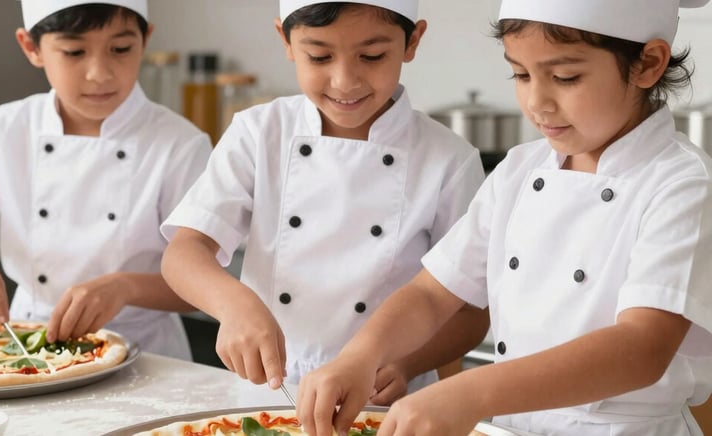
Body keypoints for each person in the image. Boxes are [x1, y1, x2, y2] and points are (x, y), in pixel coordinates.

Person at [296, 0, 712, 434]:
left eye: (565, 77)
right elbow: (432, 295)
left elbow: (641, 348)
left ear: (648, 64)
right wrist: (359, 358)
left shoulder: (682, 183)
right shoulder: (519, 169)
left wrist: (472, 392)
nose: (537, 102)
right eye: (521, 74)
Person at [161, 0, 488, 404]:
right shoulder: (259, 133)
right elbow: (184, 252)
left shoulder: (448, 160)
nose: (344, 81)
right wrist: (231, 305)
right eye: (319, 56)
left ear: (412, 40)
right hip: (266, 392)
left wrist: (406, 364)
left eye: (372, 56)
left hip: (383, 403)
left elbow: (471, 313)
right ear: (285, 39)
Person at [0, 0, 212, 361]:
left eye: (120, 49)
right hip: (25, 346)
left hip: (148, 355)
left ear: (145, 40)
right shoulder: (7, 129)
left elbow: (207, 283)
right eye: (74, 52)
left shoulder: (180, 144)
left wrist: (125, 287)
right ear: (31, 47)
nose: (99, 73)